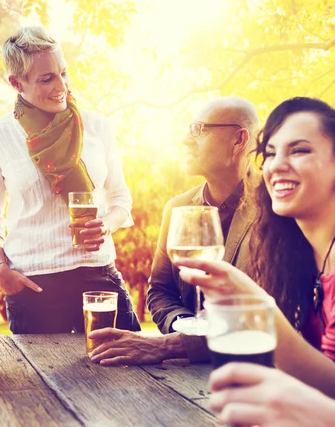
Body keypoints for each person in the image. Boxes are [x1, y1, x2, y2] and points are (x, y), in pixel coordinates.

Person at [176, 97, 335, 404]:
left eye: (299, 150)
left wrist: (251, 304)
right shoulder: (296, 249)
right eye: (271, 153)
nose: (276, 165)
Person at [0, 26, 140, 334]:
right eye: (46, 78)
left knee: (132, 372)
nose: (61, 85)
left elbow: (120, 200)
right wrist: (1, 269)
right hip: (34, 286)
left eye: (63, 73)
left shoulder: (97, 126)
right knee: (41, 381)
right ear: (16, 83)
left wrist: (107, 225)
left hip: (98, 275)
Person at [89, 96, 259, 365]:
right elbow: (159, 291)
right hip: (189, 377)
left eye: (199, 130)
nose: (186, 140)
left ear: (239, 140)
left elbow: (268, 314)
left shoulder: (276, 209)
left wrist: (170, 346)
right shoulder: (177, 208)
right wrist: (185, 328)